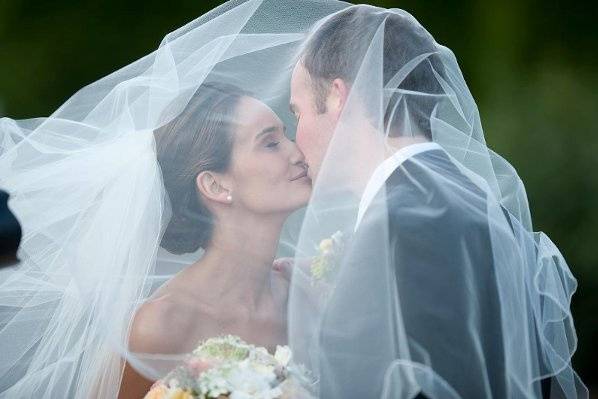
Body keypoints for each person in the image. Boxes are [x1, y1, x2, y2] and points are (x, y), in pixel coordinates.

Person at [287, 5, 586, 399]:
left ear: (339, 98)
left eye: (299, 112)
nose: (296, 136)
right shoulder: (483, 206)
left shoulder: (400, 225)